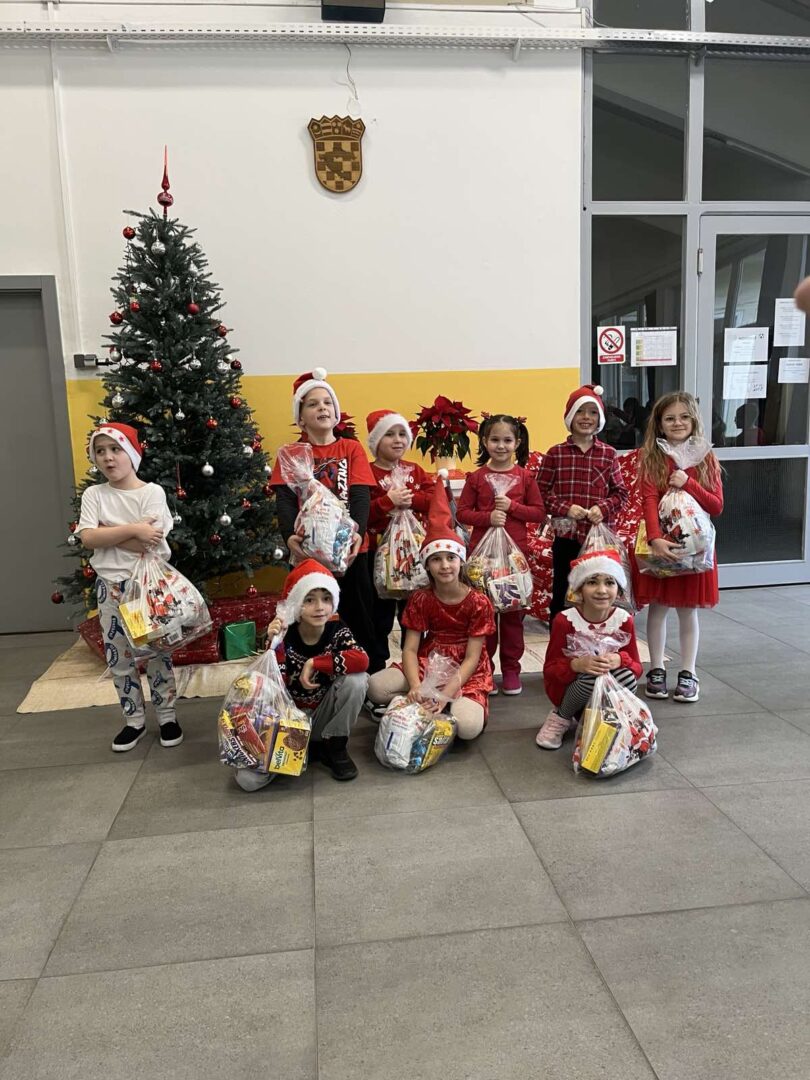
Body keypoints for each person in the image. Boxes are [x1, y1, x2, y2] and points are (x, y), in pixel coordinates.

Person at [76, 422, 183, 752]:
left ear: (132, 453)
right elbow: (87, 538)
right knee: (119, 658)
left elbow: (147, 545)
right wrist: (133, 529)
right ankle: (133, 720)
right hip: (110, 589)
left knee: (157, 653)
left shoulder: (151, 493)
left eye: (116, 449)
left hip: (145, 588)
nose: (108, 457)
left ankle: (167, 717)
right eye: (100, 451)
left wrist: (107, 531)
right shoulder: (95, 495)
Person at [366, 479, 496, 740]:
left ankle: (447, 704)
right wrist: (416, 686)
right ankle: (423, 702)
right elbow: (410, 649)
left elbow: (472, 657)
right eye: (436, 559)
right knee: (375, 687)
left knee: (468, 728)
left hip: (466, 670)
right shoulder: (421, 598)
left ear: (461, 561)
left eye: (451, 558)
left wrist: (445, 693)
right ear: (427, 565)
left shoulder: (478, 601)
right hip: (431, 661)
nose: (445, 566)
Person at [270, 368, 378, 665]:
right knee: (311, 614)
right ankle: (310, 667)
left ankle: (366, 671)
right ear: (301, 417)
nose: (322, 408)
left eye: (327, 402)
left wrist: (357, 534)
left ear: (336, 412)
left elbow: (360, 495)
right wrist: (289, 538)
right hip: (308, 551)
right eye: (313, 404)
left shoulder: (350, 448)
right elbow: (285, 500)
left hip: (352, 550)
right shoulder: (290, 454)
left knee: (358, 612)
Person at [235, 559, 368, 791]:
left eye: (326, 599)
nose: (320, 607)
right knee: (248, 781)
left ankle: (334, 746)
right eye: (309, 600)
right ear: (296, 605)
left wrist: (315, 662)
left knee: (357, 680)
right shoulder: (285, 635)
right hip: (288, 720)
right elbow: (272, 686)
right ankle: (301, 749)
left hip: (322, 717)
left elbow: (362, 659)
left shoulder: (337, 630)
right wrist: (273, 644)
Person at [634, 392, 724, 703]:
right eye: (669, 418)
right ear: (659, 424)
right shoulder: (653, 457)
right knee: (658, 608)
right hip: (663, 546)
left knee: (688, 611)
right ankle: (656, 668)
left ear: (694, 420)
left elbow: (716, 506)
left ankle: (688, 671)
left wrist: (688, 483)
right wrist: (655, 539)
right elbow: (648, 500)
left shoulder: (705, 457)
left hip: (695, 550)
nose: (677, 423)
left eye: (684, 417)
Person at [455, 414, 545, 696]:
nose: (501, 446)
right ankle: (485, 669)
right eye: (495, 439)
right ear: (484, 441)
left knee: (513, 617)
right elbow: (462, 513)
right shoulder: (476, 478)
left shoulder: (525, 477)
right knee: (484, 616)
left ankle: (511, 669)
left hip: (515, 559)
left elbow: (539, 513)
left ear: (517, 442)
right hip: (483, 560)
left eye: (507, 440)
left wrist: (512, 508)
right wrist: (488, 517)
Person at [536, 384, 628, 626]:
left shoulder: (608, 454)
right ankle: (560, 637)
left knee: (599, 592)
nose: (586, 417)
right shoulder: (555, 454)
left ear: (600, 419)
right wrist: (565, 508)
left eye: (593, 412)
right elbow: (539, 493)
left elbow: (621, 493)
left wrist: (602, 508)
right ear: (569, 416)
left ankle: (598, 634)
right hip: (567, 537)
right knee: (563, 592)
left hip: (599, 540)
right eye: (580, 411)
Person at [537, 549, 642, 750]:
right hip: (573, 694)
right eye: (592, 582)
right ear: (579, 590)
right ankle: (561, 718)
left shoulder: (624, 620)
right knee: (591, 676)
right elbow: (550, 670)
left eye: (609, 582)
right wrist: (576, 665)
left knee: (626, 675)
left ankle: (612, 719)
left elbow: (637, 668)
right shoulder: (565, 621)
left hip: (609, 699)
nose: (602, 590)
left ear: (619, 590)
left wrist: (621, 660)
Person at [365, 409, 435, 674]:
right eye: (389, 434)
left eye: (402, 434)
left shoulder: (415, 471)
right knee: (379, 614)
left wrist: (410, 499)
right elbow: (361, 511)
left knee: (414, 613)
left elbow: (435, 499)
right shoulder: (366, 472)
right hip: (379, 556)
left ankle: (413, 664)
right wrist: (387, 501)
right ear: (375, 441)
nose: (397, 440)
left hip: (413, 556)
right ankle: (376, 667)